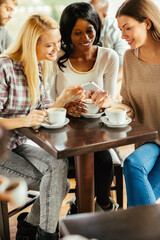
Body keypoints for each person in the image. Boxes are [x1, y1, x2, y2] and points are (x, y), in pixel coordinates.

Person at [0, 14, 84, 240]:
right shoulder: (5, 68)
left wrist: (64, 99)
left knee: (59, 170)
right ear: (32, 42)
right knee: (59, 184)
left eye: (58, 42)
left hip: (17, 144)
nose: (57, 48)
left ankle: (31, 229)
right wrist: (24, 121)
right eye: (50, 44)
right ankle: (44, 234)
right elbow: (28, 119)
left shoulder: (37, 68)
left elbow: (44, 111)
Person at [48, 2, 119, 213]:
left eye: (89, 31)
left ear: (97, 28)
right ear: (66, 33)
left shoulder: (108, 57)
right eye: (76, 32)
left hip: (99, 128)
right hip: (63, 130)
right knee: (94, 160)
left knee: (104, 160)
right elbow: (48, 102)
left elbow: (111, 100)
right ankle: (91, 208)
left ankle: (98, 205)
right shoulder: (56, 58)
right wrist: (66, 106)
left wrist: (101, 102)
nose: (85, 38)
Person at [93, 0, 160, 207]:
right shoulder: (130, 58)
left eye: (128, 28)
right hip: (150, 141)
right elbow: (129, 106)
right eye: (121, 29)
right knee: (133, 166)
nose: (123, 35)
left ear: (147, 23)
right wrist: (109, 103)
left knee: (134, 174)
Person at [89, 0, 129, 101]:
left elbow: (123, 65)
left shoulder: (116, 31)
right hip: (94, 75)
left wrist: (108, 83)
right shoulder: (85, 28)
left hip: (115, 75)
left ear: (104, 15)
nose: (89, 19)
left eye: (94, 15)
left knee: (113, 94)